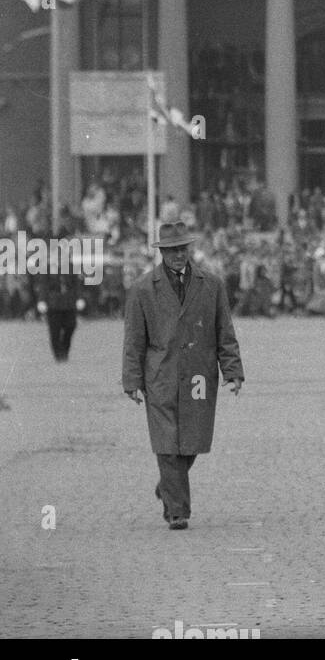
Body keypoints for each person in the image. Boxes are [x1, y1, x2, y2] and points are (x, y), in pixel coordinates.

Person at [121, 221, 244, 530]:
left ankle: (168, 485)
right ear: (162, 252)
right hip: (160, 376)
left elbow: (224, 331)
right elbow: (134, 340)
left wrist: (233, 370)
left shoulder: (211, 285)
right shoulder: (142, 289)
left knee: (193, 440)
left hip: (199, 375)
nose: (178, 255)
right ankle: (178, 511)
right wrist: (132, 381)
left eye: (182, 249)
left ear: (189, 249)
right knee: (167, 442)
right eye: (171, 250)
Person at [37, 263, 82, 362]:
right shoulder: (47, 268)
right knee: (55, 331)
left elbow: (77, 284)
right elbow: (43, 285)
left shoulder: (71, 266)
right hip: (53, 304)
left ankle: (65, 350)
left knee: (71, 326)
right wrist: (42, 300)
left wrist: (79, 298)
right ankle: (58, 354)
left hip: (69, 303)